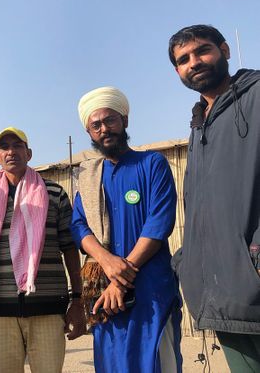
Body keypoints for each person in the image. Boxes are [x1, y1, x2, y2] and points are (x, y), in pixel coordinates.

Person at [71, 87, 182, 372]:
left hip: (151, 292)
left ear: (125, 121)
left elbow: (158, 224)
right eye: (95, 125)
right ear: (89, 132)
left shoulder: (152, 164)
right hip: (105, 299)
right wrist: (108, 264)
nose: (104, 129)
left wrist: (120, 280)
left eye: (110, 120)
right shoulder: (88, 177)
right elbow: (79, 225)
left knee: (157, 363)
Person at [169, 24, 260, 370]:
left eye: (202, 50)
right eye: (183, 59)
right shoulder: (199, 124)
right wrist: (187, 261)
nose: (194, 62)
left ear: (225, 49)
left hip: (250, 276)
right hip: (225, 291)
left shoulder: (255, 96)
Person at [0, 127, 85, 373]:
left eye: (17, 146)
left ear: (28, 153)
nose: (11, 152)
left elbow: (70, 248)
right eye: (4, 147)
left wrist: (77, 300)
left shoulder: (54, 193)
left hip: (48, 306)